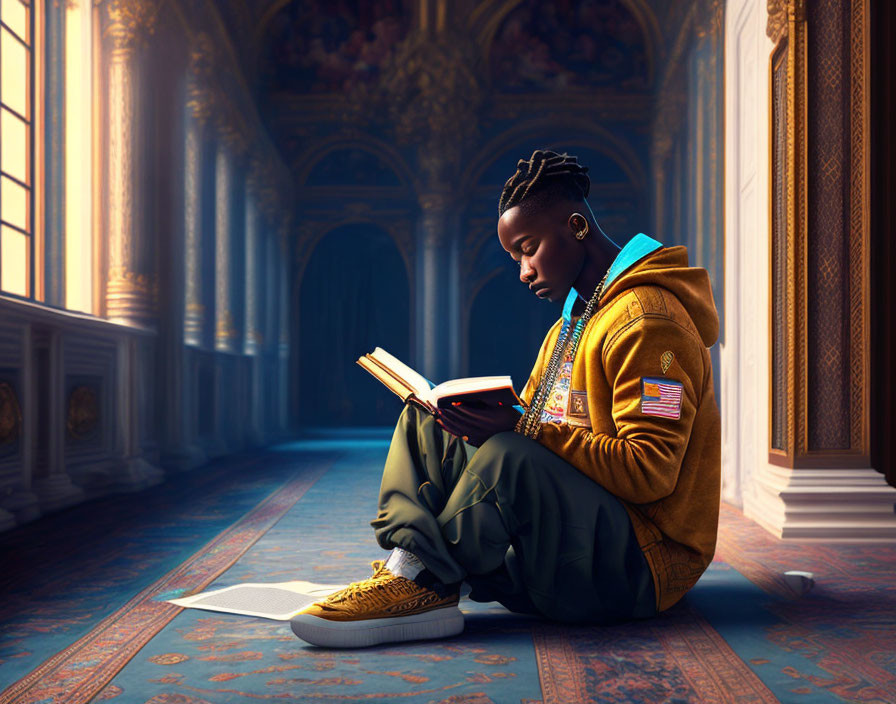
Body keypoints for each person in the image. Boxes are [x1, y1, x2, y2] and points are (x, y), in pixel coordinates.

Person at [290, 149, 721, 649]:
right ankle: (411, 571)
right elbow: (537, 423)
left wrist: (521, 429)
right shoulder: (573, 321)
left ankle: (424, 581)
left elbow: (650, 471)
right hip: (572, 542)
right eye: (515, 257)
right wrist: (479, 416)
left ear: (576, 225)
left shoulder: (651, 323)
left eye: (529, 248)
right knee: (427, 420)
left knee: (510, 454)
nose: (523, 271)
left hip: (639, 567)